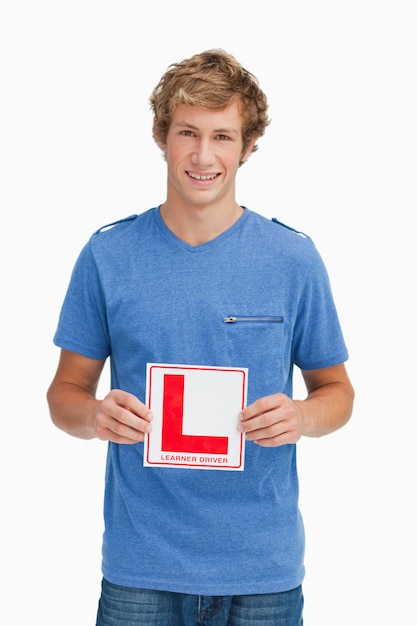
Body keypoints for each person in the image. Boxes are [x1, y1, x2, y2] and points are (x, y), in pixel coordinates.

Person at [47, 49, 354, 626]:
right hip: (141, 572)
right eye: (188, 132)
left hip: (262, 570)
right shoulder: (108, 255)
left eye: (223, 136)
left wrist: (302, 417)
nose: (204, 155)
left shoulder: (293, 259)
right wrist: (93, 417)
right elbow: (64, 392)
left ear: (248, 146)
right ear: (161, 136)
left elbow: (337, 391)